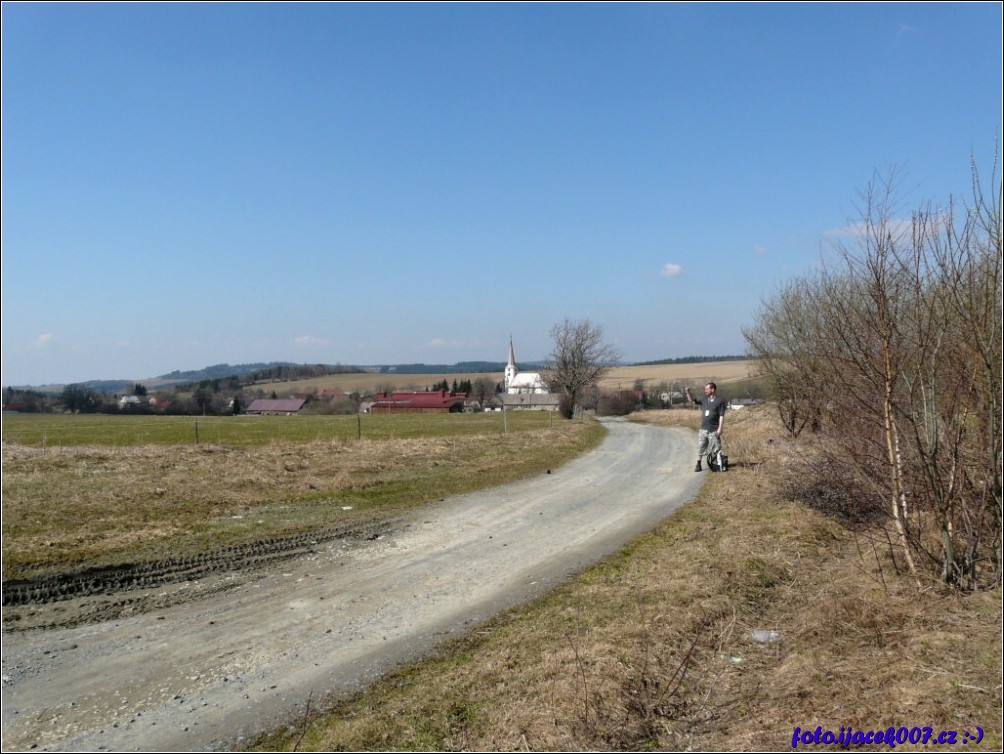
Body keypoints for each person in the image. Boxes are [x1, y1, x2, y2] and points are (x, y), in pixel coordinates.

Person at [685, 382, 726, 472]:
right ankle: (698, 464)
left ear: (712, 389)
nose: (705, 391)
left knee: (716, 448)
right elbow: (691, 400)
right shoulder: (704, 398)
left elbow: (721, 416)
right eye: (705, 389)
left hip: (714, 430)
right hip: (703, 429)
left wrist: (720, 428)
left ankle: (718, 464)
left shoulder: (720, 401)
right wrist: (688, 393)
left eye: (707, 389)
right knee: (701, 447)